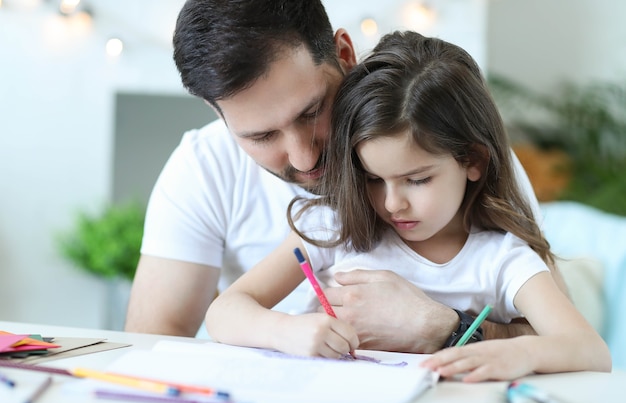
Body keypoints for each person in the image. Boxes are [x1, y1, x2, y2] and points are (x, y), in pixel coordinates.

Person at [125, 0, 569, 353]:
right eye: (261, 135)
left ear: (344, 54)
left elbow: (558, 340)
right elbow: (152, 345)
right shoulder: (204, 167)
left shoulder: (451, 161)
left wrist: (443, 328)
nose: (302, 158)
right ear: (218, 114)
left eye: (312, 112)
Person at [205, 30, 611, 381]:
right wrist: (284, 331)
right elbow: (225, 311)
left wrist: (518, 354)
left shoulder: (503, 260)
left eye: (417, 180)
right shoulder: (334, 227)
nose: (392, 203)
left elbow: (590, 351)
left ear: (473, 161)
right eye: (372, 179)